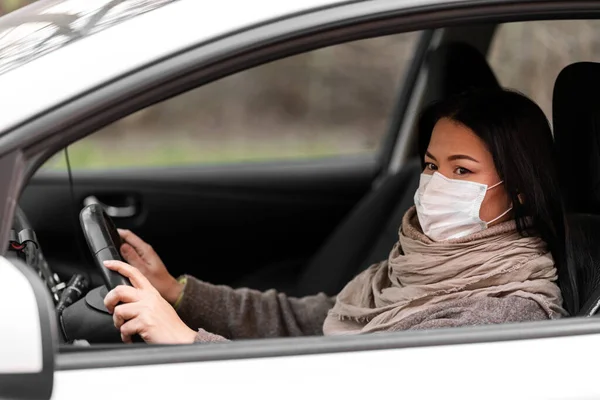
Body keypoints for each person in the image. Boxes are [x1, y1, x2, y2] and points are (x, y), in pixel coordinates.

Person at [103, 88, 571, 344]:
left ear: (522, 191)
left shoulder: (502, 312)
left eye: (461, 170)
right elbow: (310, 320)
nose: (435, 183)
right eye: (430, 165)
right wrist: (177, 292)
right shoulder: (417, 265)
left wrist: (186, 343)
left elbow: (334, 389)